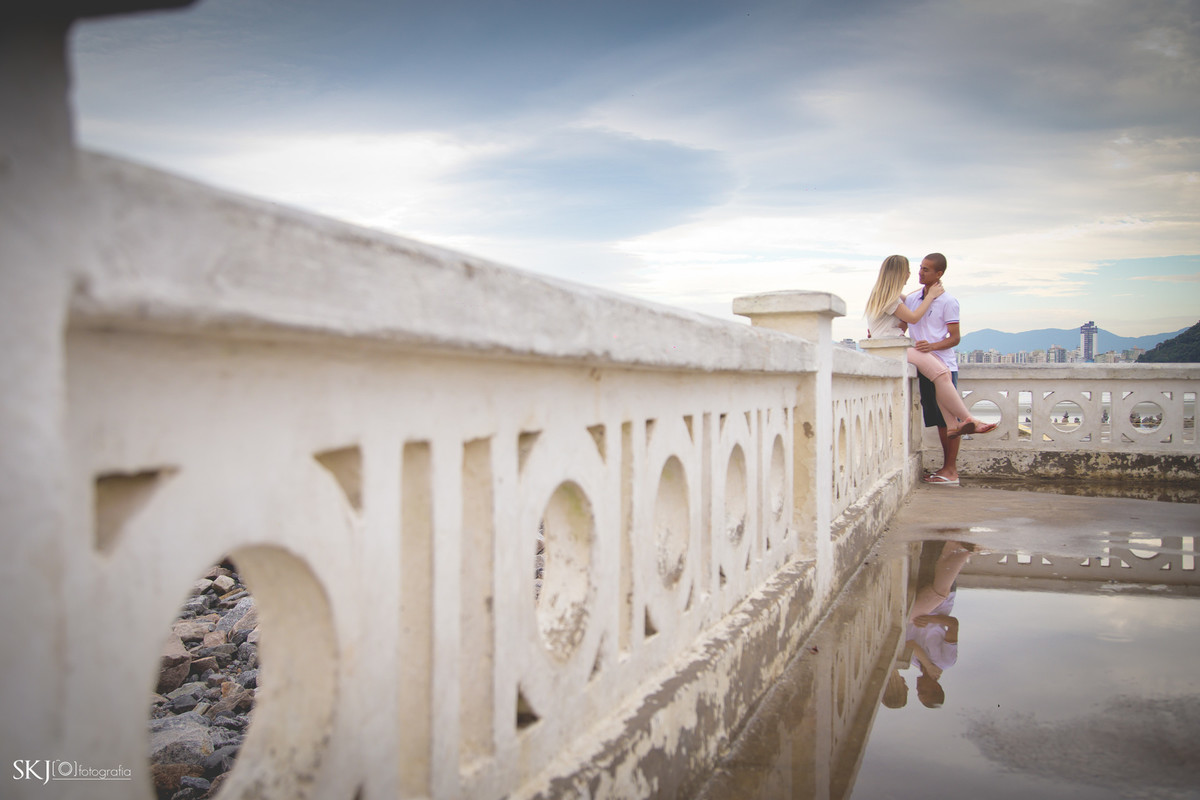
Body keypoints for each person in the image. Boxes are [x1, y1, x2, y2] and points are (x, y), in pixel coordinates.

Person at [864, 255, 995, 455]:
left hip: (890, 346)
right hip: (894, 348)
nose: (912, 273)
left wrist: (928, 290)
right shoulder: (891, 298)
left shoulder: (886, 295)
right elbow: (914, 318)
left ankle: (953, 425)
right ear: (900, 273)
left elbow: (911, 302)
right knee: (942, 374)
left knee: (939, 376)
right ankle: (969, 420)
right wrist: (932, 295)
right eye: (909, 270)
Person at [903, 253, 995, 485]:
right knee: (938, 420)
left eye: (926, 269)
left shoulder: (948, 302)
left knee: (950, 422)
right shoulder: (913, 299)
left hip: (943, 365)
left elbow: (955, 338)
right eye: (920, 268)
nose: (920, 272)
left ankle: (951, 470)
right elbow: (903, 322)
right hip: (922, 366)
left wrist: (932, 345)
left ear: (939, 274)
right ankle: (946, 470)